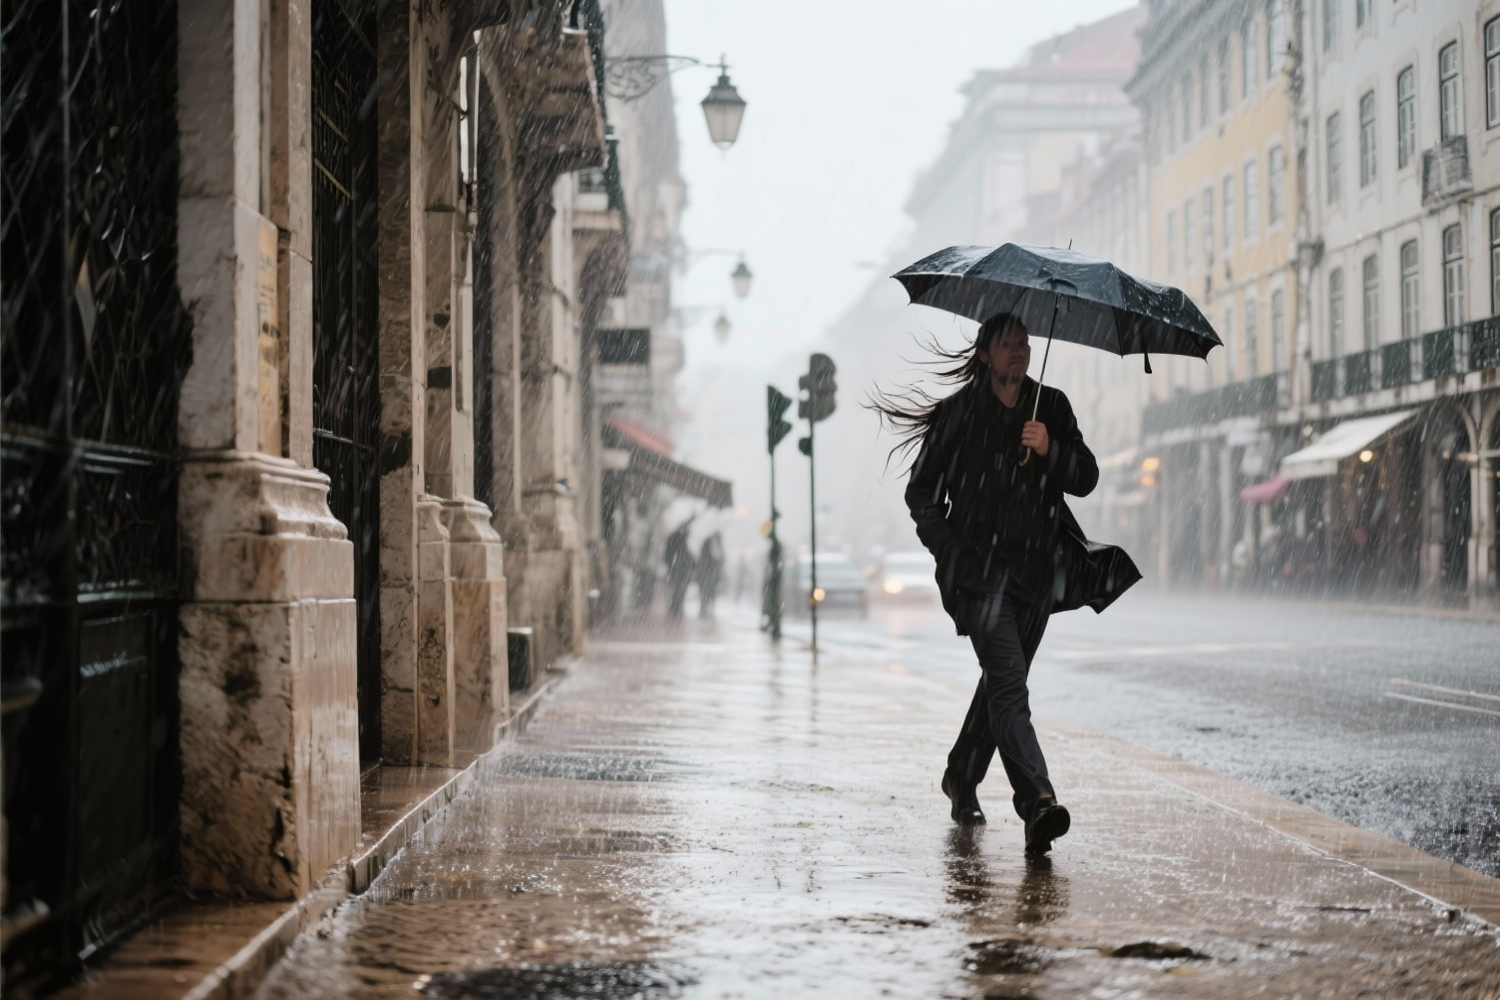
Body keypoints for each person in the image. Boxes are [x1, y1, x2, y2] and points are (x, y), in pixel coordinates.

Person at [873, 311, 1134, 857]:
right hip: (981, 579)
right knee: (1010, 685)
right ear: (985, 354)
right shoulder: (959, 414)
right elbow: (921, 496)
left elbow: (1085, 478)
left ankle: (960, 777)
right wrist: (954, 553)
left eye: (1024, 342)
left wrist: (1050, 450)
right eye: (1006, 343)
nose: (1018, 350)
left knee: (1000, 684)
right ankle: (1037, 802)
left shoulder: (1052, 407)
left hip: (1038, 576)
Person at [664, 519, 695, 620]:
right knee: (678, 589)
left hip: (678, 567)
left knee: (678, 589)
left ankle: (675, 608)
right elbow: (673, 553)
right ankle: (676, 609)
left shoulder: (678, 538)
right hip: (678, 567)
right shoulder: (678, 539)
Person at [698, 532, 724, 619]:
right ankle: (704, 610)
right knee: (707, 593)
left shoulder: (715, 546)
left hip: (710, 575)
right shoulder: (712, 546)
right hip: (708, 574)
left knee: (708, 593)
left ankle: (705, 610)